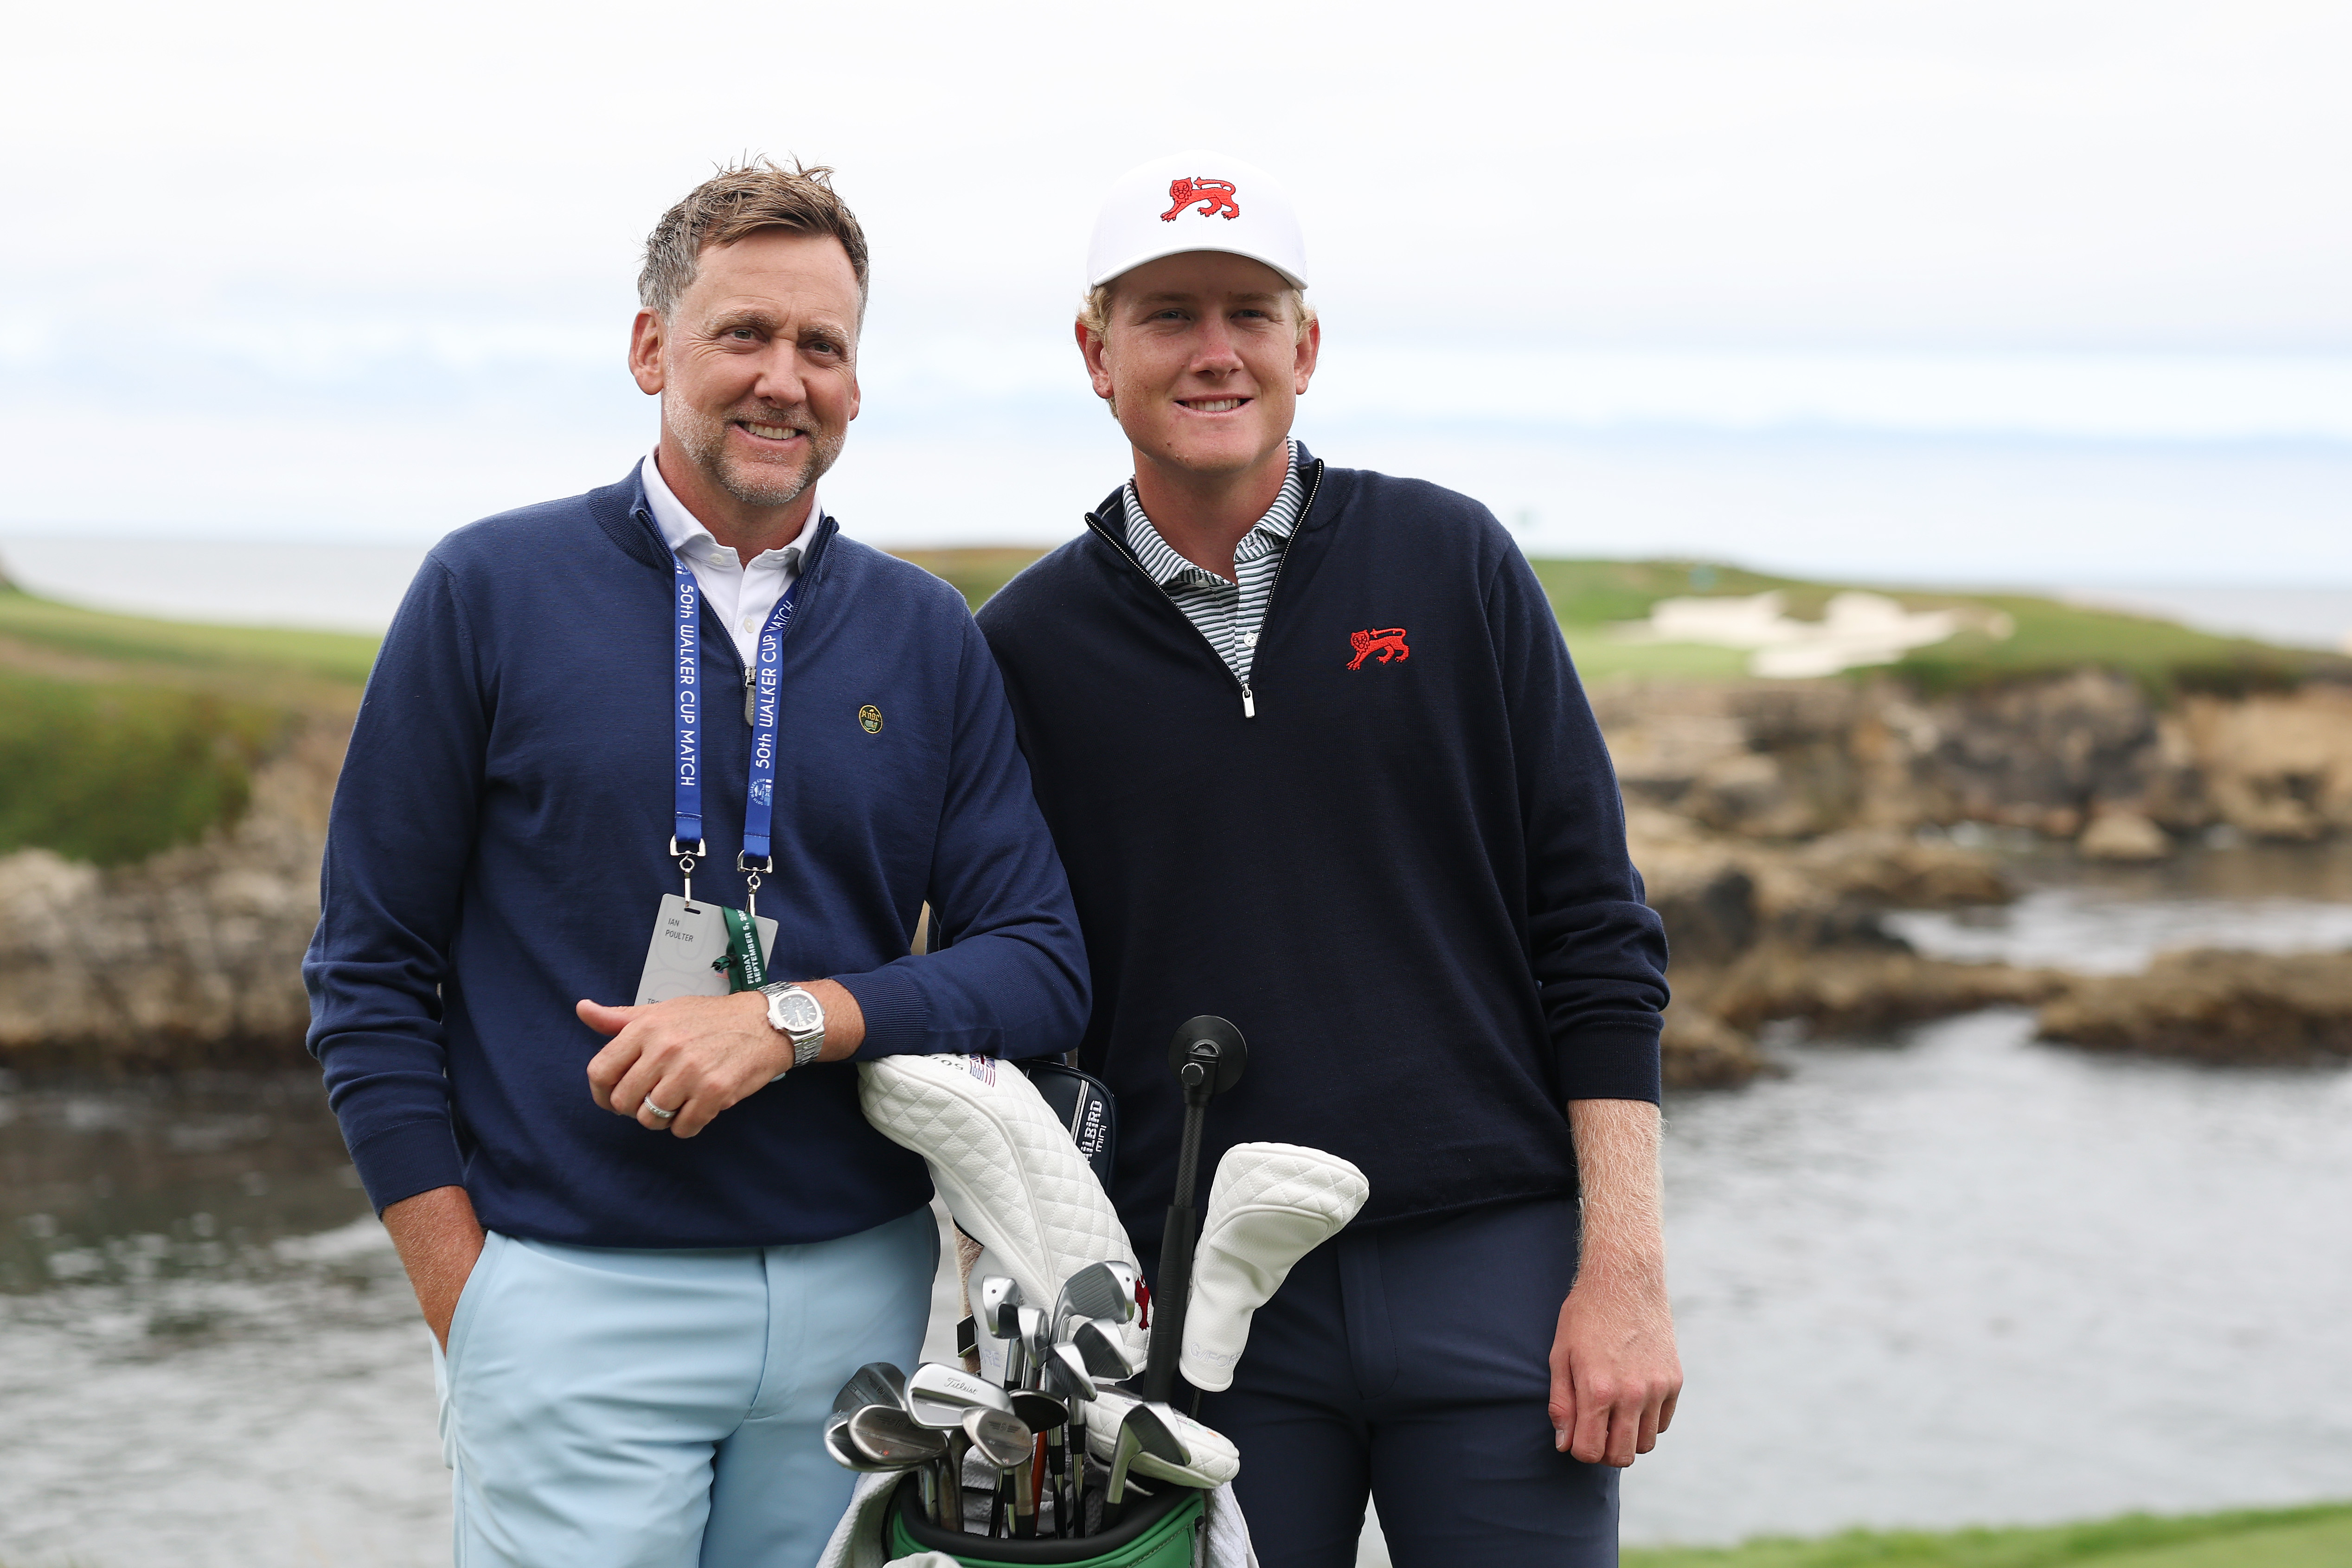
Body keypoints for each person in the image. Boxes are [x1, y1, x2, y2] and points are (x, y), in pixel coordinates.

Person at [304, 159, 1088, 1568]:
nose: (784, 378)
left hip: (859, 1299)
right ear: (651, 347)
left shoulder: (926, 632)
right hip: (570, 1298)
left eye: (822, 346)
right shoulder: (485, 592)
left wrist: (794, 1022)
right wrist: (466, 1295)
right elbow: (368, 970)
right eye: (745, 334)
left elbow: (1038, 964)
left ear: (856, 381)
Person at [975, 151, 1681, 1567]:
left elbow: (1596, 932)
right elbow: (1028, 999)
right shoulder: (1023, 648)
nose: (1216, 351)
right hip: (1202, 1316)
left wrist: (1625, 1275)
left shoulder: (1452, 561)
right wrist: (1066, 1300)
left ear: (1308, 345)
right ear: (1094, 351)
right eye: (1169, 313)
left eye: (1253, 310)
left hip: (1491, 1267)